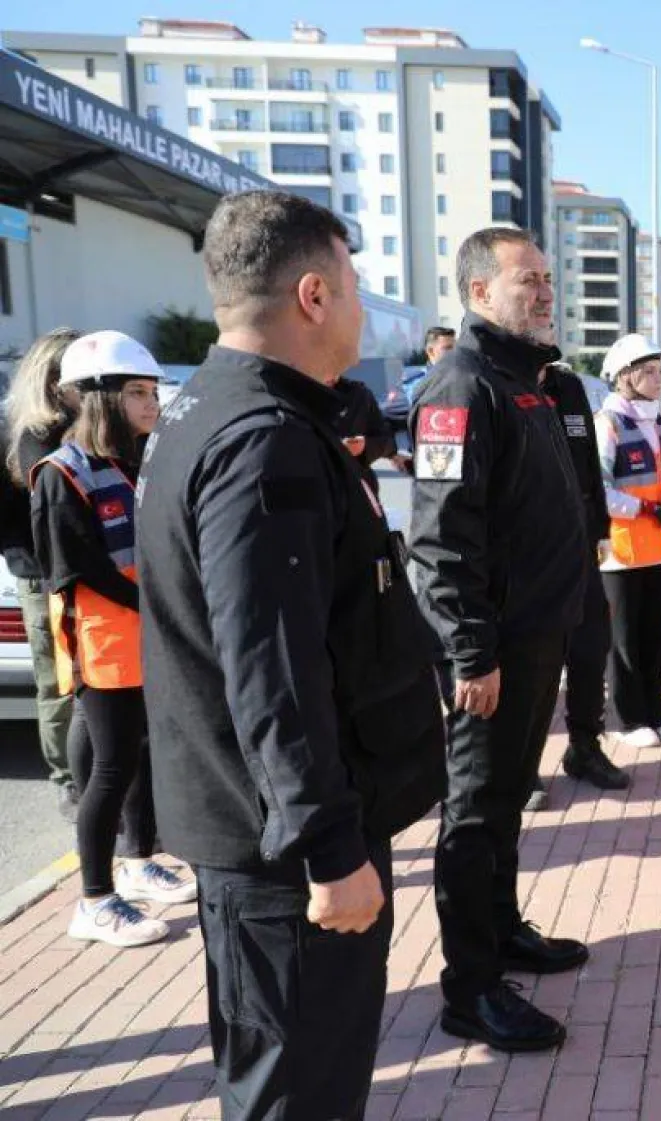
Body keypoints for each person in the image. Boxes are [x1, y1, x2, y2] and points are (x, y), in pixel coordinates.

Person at [137, 190, 445, 1118]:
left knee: (285, 1073)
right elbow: (272, 668)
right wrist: (330, 850)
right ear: (313, 294)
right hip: (286, 857)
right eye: (352, 288)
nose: (359, 308)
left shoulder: (209, 407)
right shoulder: (261, 441)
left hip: (257, 832)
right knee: (300, 1089)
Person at [409, 226, 593, 1052]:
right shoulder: (460, 384)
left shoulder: (529, 382)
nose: (545, 292)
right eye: (530, 280)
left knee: (510, 799)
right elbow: (442, 538)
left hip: (536, 638)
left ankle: (503, 928)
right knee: (475, 813)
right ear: (481, 292)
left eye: (548, 279)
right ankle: (470, 987)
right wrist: (469, 651)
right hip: (493, 652)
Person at [31, 332, 187, 947]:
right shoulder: (61, 474)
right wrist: (153, 603)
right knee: (112, 766)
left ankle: (138, 858)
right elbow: (78, 568)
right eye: (138, 392)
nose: (152, 403)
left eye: (153, 391)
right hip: (105, 644)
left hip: (146, 635)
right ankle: (94, 898)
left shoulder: (134, 460)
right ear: (99, 398)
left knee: (143, 756)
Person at [537, 360, 628, 798]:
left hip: (581, 542)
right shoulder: (493, 380)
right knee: (536, 664)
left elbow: (588, 459)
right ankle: (522, 768)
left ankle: (584, 747)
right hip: (529, 554)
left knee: (591, 649)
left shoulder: (568, 386)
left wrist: (602, 526)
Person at [3, 328, 80, 819]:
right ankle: (67, 781)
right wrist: (23, 560)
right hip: (39, 575)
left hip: (94, 567)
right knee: (57, 682)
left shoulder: (90, 423)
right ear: (51, 376)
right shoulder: (19, 432)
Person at [597, 333, 661, 750]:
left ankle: (655, 712)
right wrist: (646, 510)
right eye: (649, 372)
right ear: (625, 377)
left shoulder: (659, 420)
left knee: (657, 637)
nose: (658, 379)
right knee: (626, 641)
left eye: (659, 371)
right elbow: (599, 489)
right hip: (624, 552)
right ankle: (628, 718)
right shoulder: (609, 422)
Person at [333, 373, 400, 492]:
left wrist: (365, 446)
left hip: (357, 488)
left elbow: (387, 441)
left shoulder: (358, 394)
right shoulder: (294, 397)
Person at [402, 325, 456, 406]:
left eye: (456, 348)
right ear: (430, 351)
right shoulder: (418, 382)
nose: (454, 352)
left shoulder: (459, 375)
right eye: (448, 348)